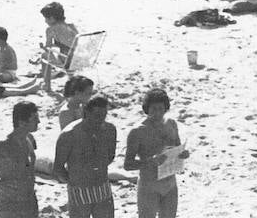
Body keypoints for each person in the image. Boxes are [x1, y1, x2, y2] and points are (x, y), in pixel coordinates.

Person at [124, 88, 189, 218]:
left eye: (161, 108)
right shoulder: (137, 131)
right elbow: (128, 164)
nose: (158, 113)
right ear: (147, 109)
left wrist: (183, 154)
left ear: (166, 108)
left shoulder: (171, 124)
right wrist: (150, 162)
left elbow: (177, 147)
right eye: (154, 109)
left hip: (170, 184)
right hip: (149, 186)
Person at [55, 95, 118, 218]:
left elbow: (110, 156)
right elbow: (58, 167)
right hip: (79, 189)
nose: (101, 119)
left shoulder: (109, 130)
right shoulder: (69, 135)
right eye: (97, 115)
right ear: (86, 112)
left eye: (104, 115)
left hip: (102, 187)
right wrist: (75, 180)